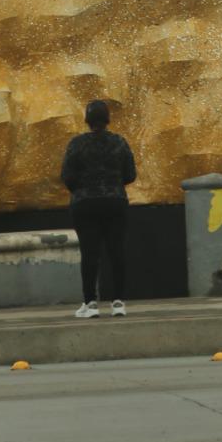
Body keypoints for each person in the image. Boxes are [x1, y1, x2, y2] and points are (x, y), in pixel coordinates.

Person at [61, 99, 137, 319]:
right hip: (115, 201)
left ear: (87, 120)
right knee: (117, 251)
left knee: (89, 253)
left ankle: (90, 303)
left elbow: (67, 176)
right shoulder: (119, 142)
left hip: (85, 203)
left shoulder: (77, 144)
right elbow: (131, 175)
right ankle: (118, 303)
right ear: (107, 119)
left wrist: (81, 188)